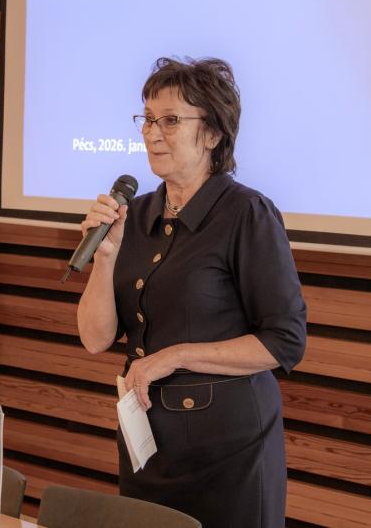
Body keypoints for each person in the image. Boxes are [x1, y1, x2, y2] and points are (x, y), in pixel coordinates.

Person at [76, 57, 306, 528]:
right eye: (147, 119)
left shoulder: (246, 213)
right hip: (149, 449)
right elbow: (95, 339)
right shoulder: (136, 215)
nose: (152, 133)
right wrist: (105, 257)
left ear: (213, 134)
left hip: (229, 455)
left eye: (171, 120)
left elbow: (285, 341)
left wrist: (175, 356)